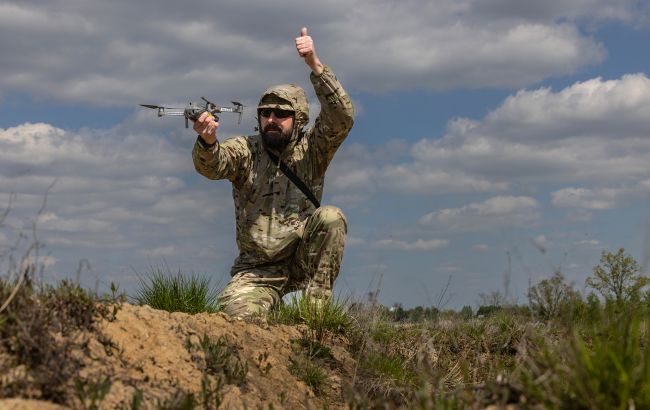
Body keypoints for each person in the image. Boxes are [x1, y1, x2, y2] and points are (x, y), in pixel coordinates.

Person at [192, 27, 355, 319]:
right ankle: (269, 306)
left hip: (300, 262)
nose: (271, 119)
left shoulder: (313, 150)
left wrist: (315, 65)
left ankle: (313, 316)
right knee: (239, 321)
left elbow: (341, 117)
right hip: (257, 270)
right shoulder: (247, 150)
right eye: (265, 112)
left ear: (299, 119)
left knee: (331, 217)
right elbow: (214, 165)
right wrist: (207, 142)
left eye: (281, 114)